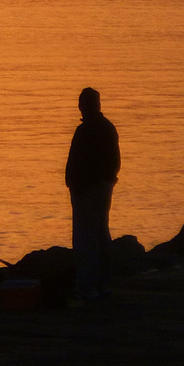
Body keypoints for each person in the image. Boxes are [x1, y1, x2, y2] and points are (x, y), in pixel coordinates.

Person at [64, 86, 120, 301]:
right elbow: (114, 162)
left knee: (86, 238)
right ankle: (103, 283)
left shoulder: (88, 130)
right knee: (100, 234)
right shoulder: (107, 127)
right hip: (101, 188)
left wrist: (79, 185)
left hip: (87, 190)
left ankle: (88, 285)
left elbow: (86, 163)